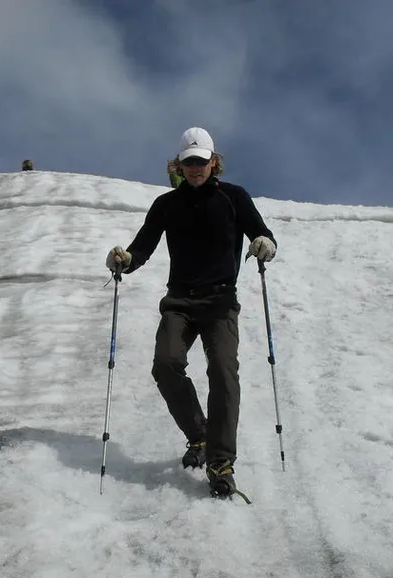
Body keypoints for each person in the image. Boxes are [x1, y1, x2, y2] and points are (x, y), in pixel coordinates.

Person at [104, 127, 277, 499]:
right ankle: (198, 434)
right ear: (179, 165)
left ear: (214, 162)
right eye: (189, 163)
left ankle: (220, 461)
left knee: (223, 373)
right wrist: (126, 259)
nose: (195, 168)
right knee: (165, 364)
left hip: (220, 303)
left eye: (201, 161)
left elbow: (260, 232)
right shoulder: (166, 205)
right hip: (180, 301)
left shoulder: (234, 197)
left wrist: (265, 243)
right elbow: (143, 246)